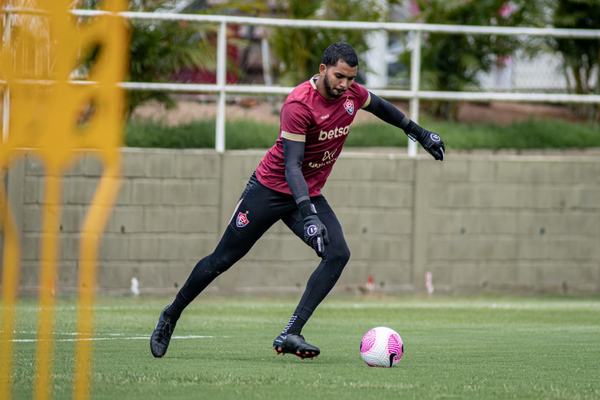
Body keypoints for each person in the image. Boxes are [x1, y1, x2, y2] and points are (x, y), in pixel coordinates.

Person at [150, 42, 444, 360]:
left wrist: (419, 132)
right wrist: (309, 216)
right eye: (339, 76)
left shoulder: (352, 95)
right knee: (222, 259)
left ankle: (291, 332)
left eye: (350, 78)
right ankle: (171, 314)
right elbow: (292, 166)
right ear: (323, 69)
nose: (345, 84)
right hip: (269, 190)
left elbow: (382, 107)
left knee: (337, 254)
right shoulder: (298, 104)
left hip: (309, 192)